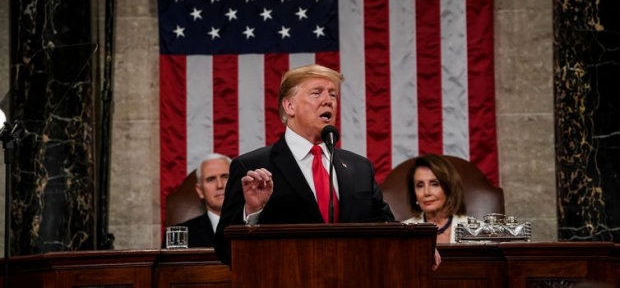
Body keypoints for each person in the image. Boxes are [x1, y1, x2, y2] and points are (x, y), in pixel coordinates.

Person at [213, 64, 397, 264]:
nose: (328, 101)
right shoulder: (251, 167)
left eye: (333, 95)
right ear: (289, 106)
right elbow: (225, 251)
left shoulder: (359, 168)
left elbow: (385, 225)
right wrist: (252, 213)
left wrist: (419, 247)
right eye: (317, 93)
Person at [403, 154, 468, 243]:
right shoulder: (402, 233)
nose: (426, 192)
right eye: (420, 185)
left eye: (434, 184)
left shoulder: (477, 231)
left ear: (449, 188)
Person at [174, 153, 231, 247]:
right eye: (211, 179)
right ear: (200, 190)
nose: (220, 185)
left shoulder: (254, 226)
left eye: (225, 177)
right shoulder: (179, 236)